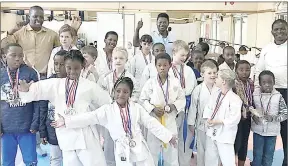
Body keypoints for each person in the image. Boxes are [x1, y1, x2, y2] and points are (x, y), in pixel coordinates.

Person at [52, 77, 178, 166]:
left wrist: (168, 136)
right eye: (118, 91)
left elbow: (151, 123)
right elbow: (88, 118)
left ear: (129, 94)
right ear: (113, 92)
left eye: (125, 92)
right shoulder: (107, 111)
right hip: (122, 149)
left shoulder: (137, 108)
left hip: (139, 146)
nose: (121, 94)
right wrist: (67, 121)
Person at [18, 50, 111, 166]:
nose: (72, 72)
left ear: (82, 66)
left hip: (86, 135)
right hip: (66, 134)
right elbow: (38, 89)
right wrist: (27, 89)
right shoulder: (56, 85)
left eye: (76, 68)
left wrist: (94, 119)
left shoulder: (90, 86)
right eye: (69, 68)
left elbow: (107, 103)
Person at [1, 6, 81, 78]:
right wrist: (8, 32)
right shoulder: (19, 34)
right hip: (24, 75)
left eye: (41, 17)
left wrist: (73, 31)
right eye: (35, 16)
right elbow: (3, 46)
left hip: (44, 76)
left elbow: (66, 49)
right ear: (29, 17)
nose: (38, 19)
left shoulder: (52, 35)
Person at [140, 53, 186, 166]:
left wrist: (173, 106)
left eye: (165, 65)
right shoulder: (150, 83)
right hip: (154, 120)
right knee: (152, 152)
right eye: (159, 65)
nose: (162, 67)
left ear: (170, 65)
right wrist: (153, 108)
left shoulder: (175, 82)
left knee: (171, 152)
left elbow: (182, 99)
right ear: (155, 66)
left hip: (169, 120)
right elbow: (142, 100)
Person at [1, 43, 43, 166]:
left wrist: (35, 123)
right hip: (6, 128)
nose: (18, 58)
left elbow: (38, 101)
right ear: (4, 57)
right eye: (13, 55)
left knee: (30, 162)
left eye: (20, 55)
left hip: (27, 127)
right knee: (7, 162)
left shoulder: (31, 74)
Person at [97, 47, 139, 166]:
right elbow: (100, 94)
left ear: (126, 60)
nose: (118, 60)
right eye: (115, 58)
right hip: (110, 114)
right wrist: (109, 103)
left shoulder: (131, 78)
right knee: (109, 144)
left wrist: (126, 103)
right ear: (111, 59)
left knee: (126, 144)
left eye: (121, 58)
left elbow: (136, 94)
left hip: (125, 114)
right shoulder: (105, 77)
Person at [254, 19, 287, 166]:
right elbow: (259, 70)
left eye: (283, 29)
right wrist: (256, 89)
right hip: (266, 92)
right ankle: (259, 161)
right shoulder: (267, 49)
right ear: (272, 32)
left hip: (286, 91)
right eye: (277, 29)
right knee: (264, 125)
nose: (280, 32)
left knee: (286, 130)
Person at [203, 69, 242, 166]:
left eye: (217, 77)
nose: (214, 78)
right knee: (210, 160)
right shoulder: (216, 93)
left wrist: (219, 121)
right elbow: (208, 107)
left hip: (225, 135)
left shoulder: (235, 99)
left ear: (223, 81)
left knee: (228, 161)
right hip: (212, 131)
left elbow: (235, 118)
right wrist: (208, 118)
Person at [251, 70, 287, 166]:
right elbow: (250, 109)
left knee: (268, 157)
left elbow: (285, 114)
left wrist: (273, 118)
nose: (267, 85)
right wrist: (253, 116)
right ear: (259, 84)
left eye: (270, 82)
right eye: (264, 83)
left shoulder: (278, 97)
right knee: (257, 156)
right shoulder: (254, 95)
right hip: (258, 131)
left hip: (272, 133)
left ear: (274, 83)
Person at [169, 40, 197, 166]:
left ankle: (184, 163)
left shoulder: (189, 70)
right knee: (172, 139)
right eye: (182, 55)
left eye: (186, 55)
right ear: (174, 52)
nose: (184, 58)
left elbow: (193, 89)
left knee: (186, 140)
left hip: (187, 108)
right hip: (173, 108)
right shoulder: (167, 69)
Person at [39, 50, 68, 166]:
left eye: (62, 64)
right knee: (55, 158)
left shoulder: (74, 82)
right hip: (52, 127)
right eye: (56, 64)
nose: (58, 67)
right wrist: (42, 131)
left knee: (70, 158)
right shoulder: (48, 83)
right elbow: (42, 108)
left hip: (69, 128)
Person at [187, 61, 219, 166]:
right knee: (201, 151)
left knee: (215, 152)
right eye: (209, 73)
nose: (213, 75)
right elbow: (193, 108)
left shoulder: (220, 90)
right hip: (202, 126)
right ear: (202, 75)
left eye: (215, 72)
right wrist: (191, 124)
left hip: (217, 125)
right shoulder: (198, 90)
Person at [233, 60, 254, 166]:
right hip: (236, 119)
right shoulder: (233, 84)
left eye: (247, 70)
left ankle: (241, 163)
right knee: (236, 142)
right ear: (236, 71)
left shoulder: (251, 83)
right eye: (241, 70)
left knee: (244, 142)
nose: (245, 72)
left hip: (248, 118)